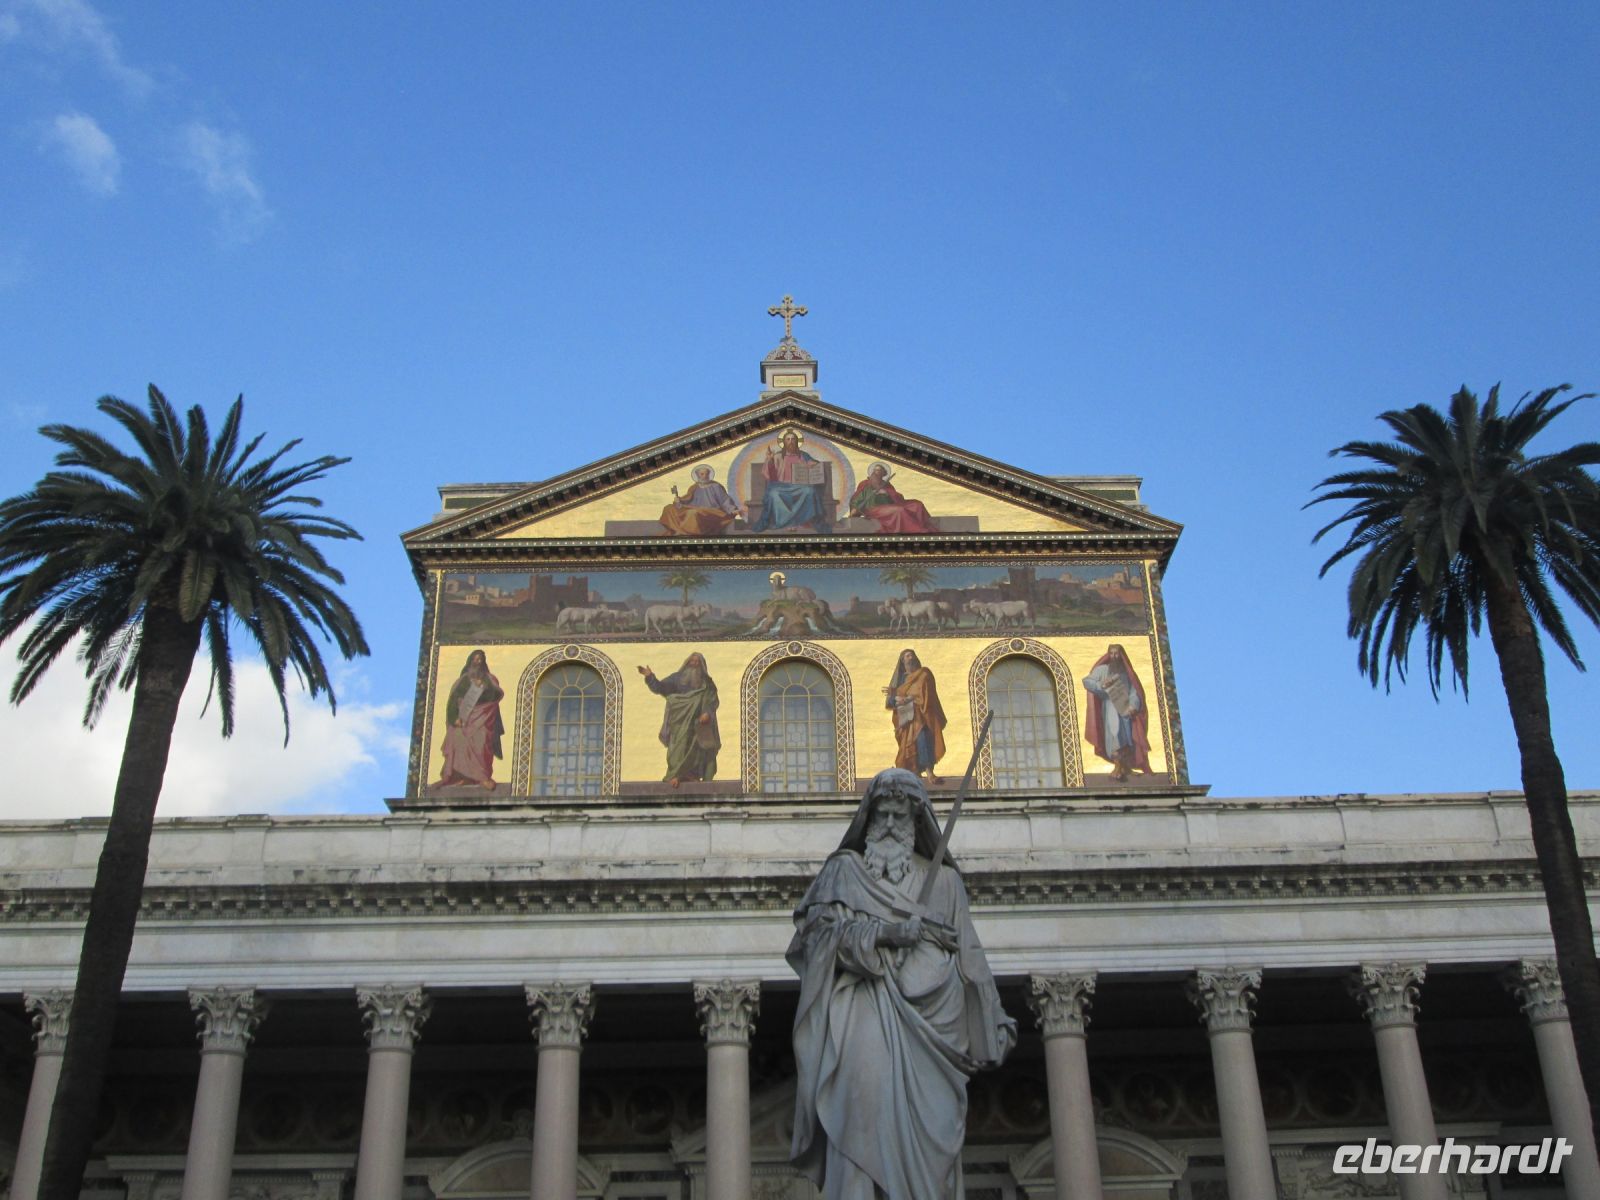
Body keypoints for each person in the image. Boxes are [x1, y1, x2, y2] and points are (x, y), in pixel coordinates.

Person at [788, 768, 1015, 1199]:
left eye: (900, 816)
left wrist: (992, 1016)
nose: (890, 826)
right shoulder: (843, 874)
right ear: (867, 820)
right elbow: (815, 939)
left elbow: (971, 956)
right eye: (882, 815)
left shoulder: (945, 883)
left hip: (933, 1031)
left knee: (935, 1146)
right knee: (859, 1113)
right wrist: (886, 934)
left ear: (916, 822)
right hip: (862, 1016)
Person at [637, 652, 720, 787]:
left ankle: (690, 775)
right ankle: (675, 775)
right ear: (687, 663)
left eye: (697, 662)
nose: (694, 664)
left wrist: (707, 713)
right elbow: (660, 688)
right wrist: (650, 677)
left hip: (698, 723)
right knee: (678, 748)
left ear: (702, 665)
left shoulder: (707, 682)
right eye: (691, 661)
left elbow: (712, 700)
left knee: (697, 748)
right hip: (679, 721)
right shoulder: (676, 678)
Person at [1082, 643, 1152, 780]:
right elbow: (1087, 681)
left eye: (1116, 654)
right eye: (1112, 653)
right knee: (1114, 735)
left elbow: (1135, 692)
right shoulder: (1102, 670)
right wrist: (1101, 685)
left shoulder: (1127, 674)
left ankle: (1125, 767)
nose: (1114, 656)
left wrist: (1133, 705)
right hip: (1110, 708)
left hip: (1125, 710)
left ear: (1121, 655)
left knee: (1128, 738)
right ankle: (1117, 766)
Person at [438, 650, 504, 790]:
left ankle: (482, 777)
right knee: (458, 739)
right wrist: (454, 718)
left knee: (482, 742)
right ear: (470, 662)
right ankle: (463, 777)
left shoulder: (489, 679)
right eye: (475, 659)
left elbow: (497, 694)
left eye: (480, 659)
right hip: (464, 719)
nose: (477, 662)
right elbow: (453, 701)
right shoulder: (463, 680)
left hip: (483, 718)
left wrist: (484, 687)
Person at [749, 429, 833, 534]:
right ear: (784, 442)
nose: (791, 441)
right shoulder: (777, 456)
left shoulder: (803, 455)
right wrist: (770, 461)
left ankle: (804, 521)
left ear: (797, 441)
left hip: (799, 486)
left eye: (793, 439)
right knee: (773, 494)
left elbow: (814, 463)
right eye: (788, 439)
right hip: (781, 486)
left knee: (810, 491)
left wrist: (814, 464)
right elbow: (771, 477)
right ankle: (785, 523)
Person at [883, 648, 947, 784]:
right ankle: (915, 772)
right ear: (902, 661)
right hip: (906, 718)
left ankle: (930, 773)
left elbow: (926, 692)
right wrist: (896, 697)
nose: (910, 658)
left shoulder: (924, 673)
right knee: (908, 745)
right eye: (907, 656)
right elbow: (890, 701)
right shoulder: (901, 679)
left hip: (923, 715)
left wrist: (909, 698)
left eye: (911, 655)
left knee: (923, 739)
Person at [847, 462, 939, 534]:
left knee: (917, 505)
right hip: (874, 509)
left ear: (883, 474)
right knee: (899, 510)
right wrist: (854, 511)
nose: (876, 473)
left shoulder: (887, 485)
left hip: (890, 506)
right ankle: (917, 530)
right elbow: (857, 498)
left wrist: (886, 493)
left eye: (879, 471)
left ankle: (924, 526)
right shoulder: (866, 484)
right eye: (875, 471)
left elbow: (898, 498)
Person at [659, 465, 741, 537]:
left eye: (706, 474)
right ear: (698, 475)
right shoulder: (694, 487)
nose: (704, 476)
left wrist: (733, 510)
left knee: (692, 513)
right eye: (702, 474)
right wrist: (678, 501)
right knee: (668, 508)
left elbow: (725, 500)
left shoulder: (716, 486)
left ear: (709, 475)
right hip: (694, 509)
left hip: (711, 512)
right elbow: (687, 500)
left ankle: (684, 532)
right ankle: (676, 529)